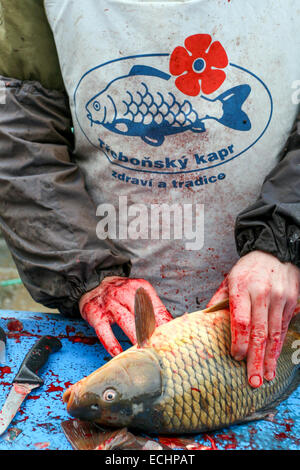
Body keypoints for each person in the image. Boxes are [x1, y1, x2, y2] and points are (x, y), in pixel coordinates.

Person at [0, 0, 299, 389]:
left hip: (282, 312)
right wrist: (87, 275)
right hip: (110, 334)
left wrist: (285, 240)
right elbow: (20, 132)